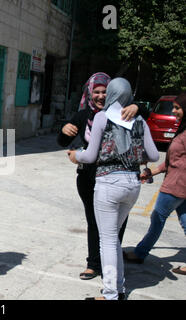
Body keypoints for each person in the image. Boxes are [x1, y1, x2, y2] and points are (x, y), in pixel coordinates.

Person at [68, 78, 159, 300]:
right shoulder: (139, 120)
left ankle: (110, 294)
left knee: (106, 239)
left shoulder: (102, 117)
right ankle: (118, 288)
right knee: (113, 238)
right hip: (132, 185)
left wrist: (74, 156)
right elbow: (155, 155)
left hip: (109, 183)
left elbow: (90, 155)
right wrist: (134, 153)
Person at [58, 72, 138, 280]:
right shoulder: (83, 116)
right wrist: (64, 130)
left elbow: (141, 123)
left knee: (117, 223)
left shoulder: (123, 113)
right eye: (97, 92)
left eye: (105, 92)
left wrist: (137, 106)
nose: (101, 96)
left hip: (118, 178)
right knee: (94, 222)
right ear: (89, 93)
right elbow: (62, 142)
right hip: (88, 178)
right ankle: (93, 264)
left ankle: (111, 265)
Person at [123, 93, 186, 268]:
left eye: (177, 108)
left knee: (157, 219)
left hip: (175, 186)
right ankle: (140, 252)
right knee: (185, 221)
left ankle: (140, 253)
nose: (174, 111)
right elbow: (172, 161)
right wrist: (152, 172)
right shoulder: (183, 128)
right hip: (178, 185)